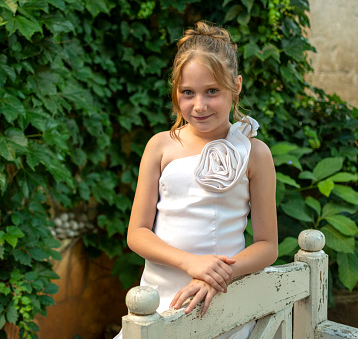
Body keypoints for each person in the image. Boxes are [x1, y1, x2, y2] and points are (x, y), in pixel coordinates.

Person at [116, 21, 278, 339]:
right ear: (176, 92)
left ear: (237, 86)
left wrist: (216, 274)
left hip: (219, 298)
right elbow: (137, 233)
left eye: (212, 92)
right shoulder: (160, 146)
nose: (199, 105)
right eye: (187, 93)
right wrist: (192, 263)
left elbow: (267, 245)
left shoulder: (254, 153)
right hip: (156, 300)